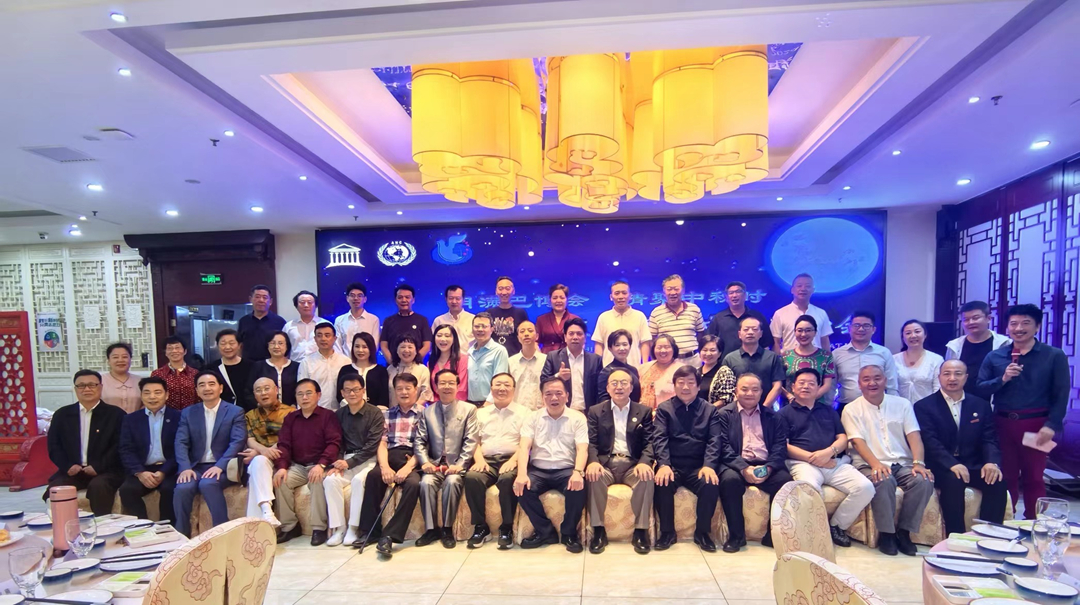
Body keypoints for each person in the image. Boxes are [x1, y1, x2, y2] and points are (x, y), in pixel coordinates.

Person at [977, 303, 1070, 519]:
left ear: (1037, 326)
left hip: (1036, 424)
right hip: (1002, 423)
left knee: (1034, 477)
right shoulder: (995, 356)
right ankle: (1006, 521)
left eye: (1025, 323)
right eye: (1014, 324)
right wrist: (1003, 378)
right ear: (1007, 327)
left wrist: (1051, 425)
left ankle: (1034, 523)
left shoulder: (1053, 355)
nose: (1019, 328)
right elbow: (980, 387)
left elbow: (1061, 394)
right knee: (1005, 475)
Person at [842, 365, 933, 556]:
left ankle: (904, 532)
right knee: (883, 479)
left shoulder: (903, 404)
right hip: (868, 463)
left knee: (923, 480)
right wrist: (876, 464)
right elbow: (857, 442)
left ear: (885, 381)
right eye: (866, 379)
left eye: (877, 378)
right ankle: (887, 534)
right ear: (859, 384)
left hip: (902, 463)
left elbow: (914, 436)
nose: (872, 383)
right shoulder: (851, 409)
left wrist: (919, 463)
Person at [779, 368, 874, 547]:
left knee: (865, 487)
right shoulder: (784, 414)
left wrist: (829, 452)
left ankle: (837, 526)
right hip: (802, 463)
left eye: (811, 383)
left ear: (819, 388)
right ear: (793, 387)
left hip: (833, 461)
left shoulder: (829, 411)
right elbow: (783, 445)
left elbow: (843, 438)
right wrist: (813, 458)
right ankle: (814, 531)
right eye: (802, 383)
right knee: (809, 489)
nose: (806, 386)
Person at [914, 360, 1006, 535]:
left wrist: (991, 462)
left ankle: (990, 534)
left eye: (958, 374)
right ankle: (956, 536)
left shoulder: (980, 405)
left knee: (996, 480)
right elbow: (930, 441)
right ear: (939, 377)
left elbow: (989, 438)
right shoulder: (924, 406)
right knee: (954, 479)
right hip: (941, 466)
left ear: (966, 377)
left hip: (972, 463)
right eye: (947, 374)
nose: (952, 378)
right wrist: (952, 464)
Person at [717, 374, 792, 552]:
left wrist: (769, 468)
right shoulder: (723, 415)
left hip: (766, 463)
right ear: (736, 391)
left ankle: (772, 535)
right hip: (735, 464)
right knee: (729, 481)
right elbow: (722, 447)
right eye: (744, 389)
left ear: (761, 392)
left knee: (785, 482)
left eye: (755, 389)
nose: (749, 393)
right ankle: (736, 537)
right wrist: (744, 468)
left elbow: (780, 447)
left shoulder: (773, 417)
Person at [513, 377, 589, 553]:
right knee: (522, 488)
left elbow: (582, 448)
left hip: (566, 469)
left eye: (559, 393)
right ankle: (545, 532)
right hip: (538, 470)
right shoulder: (533, 418)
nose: (554, 398)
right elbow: (524, 447)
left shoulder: (577, 418)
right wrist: (521, 474)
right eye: (548, 394)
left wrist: (578, 472)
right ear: (542, 397)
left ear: (567, 396)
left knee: (578, 488)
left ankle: (569, 534)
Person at [653, 365, 722, 552]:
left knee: (710, 483)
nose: (685, 387)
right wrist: (664, 464)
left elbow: (714, 440)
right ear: (674, 386)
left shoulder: (710, 410)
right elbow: (659, 438)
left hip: (698, 466)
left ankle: (702, 532)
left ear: (698, 386)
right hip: (673, 464)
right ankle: (667, 532)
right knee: (662, 482)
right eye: (681, 382)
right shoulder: (664, 409)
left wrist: (709, 465)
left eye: (691, 383)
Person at [586, 369, 655, 555]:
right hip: (606, 464)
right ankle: (598, 531)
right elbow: (591, 442)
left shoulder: (643, 411)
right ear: (607, 388)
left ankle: (641, 531)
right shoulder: (596, 411)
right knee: (593, 477)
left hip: (632, 465)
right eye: (614, 383)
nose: (619, 387)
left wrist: (644, 462)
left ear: (631, 387)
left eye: (624, 383)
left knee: (647, 477)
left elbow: (650, 442)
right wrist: (593, 461)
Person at [173, 370, 247, 537]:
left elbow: (237, 442)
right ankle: (181, 535)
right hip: (196, 466)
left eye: (211, 384)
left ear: (220, 388)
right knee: (183, 488)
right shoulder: (188, 413)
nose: (207, 388)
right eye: (202, 385)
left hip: (224, 466)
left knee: (208, 484)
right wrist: (185, 467)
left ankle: (222, 533)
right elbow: (181, 442)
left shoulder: (235, 411)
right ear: (197, 391)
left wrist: (220, 466)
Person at [413, 370, 479, 549]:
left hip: (457, 465)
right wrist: (425, 462)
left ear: (458, 386)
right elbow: (419, 440)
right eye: (443, 383)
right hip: (434, 464)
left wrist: (460, 464)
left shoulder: (469, 409)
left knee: (452, 482)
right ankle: (431, 529)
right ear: (436, 386)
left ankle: (447, 530)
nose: (447, 386)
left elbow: (471, 440)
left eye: (451, 383)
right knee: (426, 483)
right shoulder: (427, 412)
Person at [272, 379, 343, 545]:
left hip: (319, 464)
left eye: (308, 393)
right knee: (281, 481)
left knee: (316, 480)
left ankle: (319, 528)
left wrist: (321, 465)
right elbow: (284, 445)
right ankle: (290, 527)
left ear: (318, 395)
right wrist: (282, 467)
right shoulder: (291, 418)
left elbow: (334, 443)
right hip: (297, 466)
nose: (304, 397)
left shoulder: (328, 416)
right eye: (300, 394)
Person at [45, 370, 126, 515]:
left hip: (106, 471)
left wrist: (98, 466)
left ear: (100, 387)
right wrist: (68, 466)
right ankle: (63, 525)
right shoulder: (62, 415)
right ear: (75, 389)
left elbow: (120, 446)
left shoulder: (115, 414)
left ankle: (102, 524)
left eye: (92, 385)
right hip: (73, 471)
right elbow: (54, 446)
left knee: (99, 486)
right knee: (57, 488)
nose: (87, 389)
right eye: (81, 386)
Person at [464, 373, 525, 549]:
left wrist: (513, 461)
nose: (502, 388)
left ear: (514, 389)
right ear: (491, 388)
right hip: (486, 460)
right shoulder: (480, 413)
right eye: (498, 384)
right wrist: (479, 460)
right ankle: (481, 527)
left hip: (512, 459)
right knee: (472, 477)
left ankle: (506, 528)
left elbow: (526, 443)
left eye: (507, 385)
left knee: (507, 479)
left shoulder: (524, 412)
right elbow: (473, 440)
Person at [323, 374, 385, 546]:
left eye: (356, 389)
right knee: (330, 480)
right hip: (346, 458)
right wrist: (337, 462)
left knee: (359, 481)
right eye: (348, 390)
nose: (352, 393)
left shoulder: (374, 413)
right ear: (342, 393)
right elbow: (337, 442)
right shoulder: (339, 414)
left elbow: (372, 445)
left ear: (363, 391)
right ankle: (339, 528)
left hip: (368, 459)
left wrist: (349, 463)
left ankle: (353, 528)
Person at [366, 375, 424, 557]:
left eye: (408, 388)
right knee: (373, 476)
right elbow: (382, 443)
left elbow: (424, 445)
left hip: (412, 458)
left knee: (414, 484)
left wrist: (408, 468)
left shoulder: (425, 414)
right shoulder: (387, 414)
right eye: (399, 388)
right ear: (394, 391)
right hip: (390, 456)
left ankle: (389, 536)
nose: (404, 392)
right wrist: (384, 467)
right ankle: (369, 532)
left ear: (416, 390)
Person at [118, 377, 180, 523]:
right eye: (147, 393)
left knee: (169, 490)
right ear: (141, 396)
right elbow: (126, 449)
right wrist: (140, 472)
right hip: (143, 468)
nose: (152, 397)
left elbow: (180, 449)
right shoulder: (131, 419)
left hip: (170, 469)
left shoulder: (178, 417)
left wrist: (163, 472)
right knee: (127, 490)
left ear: (166, 395)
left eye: (157, 392)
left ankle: (166, 529)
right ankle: (143, 526)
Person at [240, 377, 295, 527]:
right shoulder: (250, 415)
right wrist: (263, 451)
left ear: (276, 390)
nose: (263, 393)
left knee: (256, 468)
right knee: (258, 462)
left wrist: (265, 451)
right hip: (262, 459)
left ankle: (256, 526)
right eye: (258, 390)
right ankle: (267, 512)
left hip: (283, 455)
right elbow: (249, 439)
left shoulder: (290, 412)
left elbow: (289, 437)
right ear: (254, 394)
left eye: (267, 388)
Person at [832, 311, 899, 409]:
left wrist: (894, 408)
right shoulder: (837, 354)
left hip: (878, 406)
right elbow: (831, 385)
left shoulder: (884, 353)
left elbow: (891, 385)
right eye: (856, 325)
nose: (861, 329)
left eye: (866, 326)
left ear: (873, 329)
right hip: (846, 406)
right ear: (849, 328)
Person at [946, 300, 1010, 400]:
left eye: (975, 318)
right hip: (962, 401)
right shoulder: (954, 346)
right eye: (966, 319)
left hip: (994, 400)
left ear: (988, 318)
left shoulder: (1004, 344)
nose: (971, 322)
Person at [540, 317, 602, 413]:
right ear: (565, 337)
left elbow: (600, 389)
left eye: (579, 334)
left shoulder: (595, 360)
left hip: (588, 412)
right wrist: (558, 376)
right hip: (562, 411)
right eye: (571, 334)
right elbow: (543, 382)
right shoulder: (553, 357)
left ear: (585, 337)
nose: (575, 337)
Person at [721, 316, 785, 406]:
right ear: (739, 334)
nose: (750, 332)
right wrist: (735, 408)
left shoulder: (772, 357)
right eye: (746, 329)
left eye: (754, 329)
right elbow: (726, 389)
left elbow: (777, 386)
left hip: (766, 409)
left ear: (761, 334)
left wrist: (764, 408)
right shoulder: (730, 359)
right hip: (736, 410)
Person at [648, 274, 706, 366]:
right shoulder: (656, 312)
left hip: (693, 360)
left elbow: (701, 334)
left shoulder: (694, 309)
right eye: (669, 289)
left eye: (676, 289)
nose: (673, 292)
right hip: (668, 361)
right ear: (664, 292)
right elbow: (652, 339)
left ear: (683, 290)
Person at [707, 281, 775, 359]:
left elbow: (766, 342)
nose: (734, 295)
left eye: (738, 292)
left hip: (754, 362)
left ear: (745, 295)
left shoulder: (757, 316)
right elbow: (710, 342)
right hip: (726, 362)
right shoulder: (718, 318)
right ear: (726, 297)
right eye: (731, 293)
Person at [593, 280, 652, 367]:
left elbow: (645, 343)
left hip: (634, 367)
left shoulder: (639, 316)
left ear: (630, 296)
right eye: (617, 293)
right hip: (608, 368)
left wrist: (645, 366)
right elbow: (599, 344)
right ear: (611, 297)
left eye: (624, 293)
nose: (621, 296)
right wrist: (598, 367)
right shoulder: (603, 317)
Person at [781, 315, 837, 406]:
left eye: (808, 330)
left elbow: (827, 385)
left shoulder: (826, 356)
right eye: (800, 330)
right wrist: (789, 396)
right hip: (790, 405)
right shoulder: (785, 356)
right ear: (794, 332)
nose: (803, 334)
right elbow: (778, 383)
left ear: (815, 332)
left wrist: (808, 399)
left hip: (817, 407)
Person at [770, 273, 833, 352]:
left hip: (816, 359)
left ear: (813, 290)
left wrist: (828, 358)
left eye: (808, 286)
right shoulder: (780, 313)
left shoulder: (821, 313)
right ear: (792, 290)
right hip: (788, 359)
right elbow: (776, 342)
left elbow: (824, 341)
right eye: (799, 286)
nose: (803, 289)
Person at [299, 322, 352, 410]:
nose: (323, 339)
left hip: (342, 411)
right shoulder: (306, 362)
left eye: (327, 335)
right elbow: (301, 391)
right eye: (319, 336)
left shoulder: (346, 361)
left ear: (335, 338)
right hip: (316, 412)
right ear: (315, 339)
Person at [380, 284, 433, 363]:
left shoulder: (422, 320)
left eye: (407, 297)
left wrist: (414, 361)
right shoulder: (388, 321)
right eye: (400, 297)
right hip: (394, 366)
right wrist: (392, 362)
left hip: (416, 366)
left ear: (413, 300)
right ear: (395, 300)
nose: (404, 300)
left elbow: (427, 345)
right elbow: (384, 345)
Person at [336, 332, 390, 409]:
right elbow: (340, 394)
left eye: (364, 347)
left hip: (375, 413)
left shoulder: (381, 371)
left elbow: (384, 397)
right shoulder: (345, 370)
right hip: (349, 412)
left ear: (371, 349)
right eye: (357, 346)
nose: (360, 350)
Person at [895, 320, 944, 403]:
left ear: (925, 335)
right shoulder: (893, 359)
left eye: (917, 331)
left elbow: (938, 389)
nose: (913, 336)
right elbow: (891, 388)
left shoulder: (936, 359)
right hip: (900, 408)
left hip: (927, 408)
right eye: (908, 333)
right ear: (903, 337)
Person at [466, 312, 509, 405]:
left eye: (484, 326)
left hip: (490, 405)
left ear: (492, 329)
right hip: (469, 404)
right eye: (477, 326)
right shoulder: (469, 351)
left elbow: (500, 381)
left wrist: (487, 404)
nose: (480, 329)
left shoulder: (499, 351)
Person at [206, 329, 254, 410]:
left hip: (249, 412)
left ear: (239, 345)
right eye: (223, 343)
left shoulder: (252, 366)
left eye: (231, 343)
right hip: (221, 412)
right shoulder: (211, 369)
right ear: (217, 345)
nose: (227, 347)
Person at [237, 285, 286, 362]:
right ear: (250, 299)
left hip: (272, 364)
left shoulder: (280, 322)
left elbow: (285, 346)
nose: (261, 300)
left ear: (270, 301)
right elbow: (240, 345)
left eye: (265, 297)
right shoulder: (243, 321)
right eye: (257, 297)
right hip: (248, 364)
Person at [250, 331, 299, 408]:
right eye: (272, 343)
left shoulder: (297, 367)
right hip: (265, 411)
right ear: (267, 346)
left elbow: (302, 389)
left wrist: (295, 405)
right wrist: (260, 405)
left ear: (287, 346)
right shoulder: (258, 366)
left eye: (280, 343)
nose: (276, 346)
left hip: (292, 411)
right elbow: (248, 391)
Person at [507, 320, 546, 411]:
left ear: (537, 336)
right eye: (522, 331)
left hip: (540, 411)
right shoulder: (510, 362)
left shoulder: (546, 360)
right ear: (518, 338)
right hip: (516, 411)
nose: (526, 334)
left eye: (530, 331)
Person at [150, 336, 198, 410]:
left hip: (190, 414)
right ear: (165, 353)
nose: (174, 351)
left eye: (177, 347)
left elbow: (199, 398)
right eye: (170, 348)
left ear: (185, 351)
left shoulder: (195, 373)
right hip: (166, 414)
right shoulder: (157, 374)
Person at [335, 282, 381, 358]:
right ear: (347, 298)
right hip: (345, 362)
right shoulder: (339, 320)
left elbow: (375, 344)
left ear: (365, 299)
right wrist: (343, 361)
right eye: (352, 295)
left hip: (367, 362)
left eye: (359, 296)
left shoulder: (373, 320)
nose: (356, 298)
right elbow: (337, 345)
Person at [596, 329, 642, 404]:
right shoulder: (606, 372)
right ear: (610, 348)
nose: (622, 348)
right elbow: (603, 400)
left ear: (630, 346)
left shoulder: (634, 370)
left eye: (625, 344)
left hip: (634, 410)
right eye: (617, 345)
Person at [490, 276, 530, 356]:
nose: (504, 292)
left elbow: (527, 336)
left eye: (507, 288)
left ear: (513, 291)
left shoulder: (521, 313)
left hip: (516, 357)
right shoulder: (489, 313)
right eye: (500, 288)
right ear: (496, 291)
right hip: (493, 357)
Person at [639, 334, 681, 409]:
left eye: (667, 347)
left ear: (674, 349)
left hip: (667, 413)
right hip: (642, 412)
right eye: (659, 347)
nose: (663, 350)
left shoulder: (680, 370)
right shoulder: (643, 368)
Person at [284, 290, 328, 362]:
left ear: (316, 305)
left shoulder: (325, 325)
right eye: (302, 302)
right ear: (296, 306)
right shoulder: (289, 326)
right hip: (295, 365)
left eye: (310, 302)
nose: (306, 305)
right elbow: (284, 349)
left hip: (320, 364)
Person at [388, 337, 432, 406]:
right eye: (402, 347)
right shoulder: (390, 369)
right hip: (392, 411)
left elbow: (426, 393)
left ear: (416, 351)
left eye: (410, 347)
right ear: (397, 350)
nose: (406, 350)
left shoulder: (423, 369)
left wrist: (413, 409)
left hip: (416, 411)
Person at [428, 324, 468, 401]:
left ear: (454, 339)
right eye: (439, 335)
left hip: (457, 404)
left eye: (447, 336)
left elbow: (462, 389)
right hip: (436, 405)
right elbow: (431, 389)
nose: (443, 339)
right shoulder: (431, 361)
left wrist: (447, 405)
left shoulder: (462, 359)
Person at [535, 284, 580, 352]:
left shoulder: (575, 319)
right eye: (555, 298)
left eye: (562, 298)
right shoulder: (541, 319)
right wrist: (540, 356)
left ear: (567, 300)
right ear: (550, 300)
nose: (558, 300)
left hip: (568, 356)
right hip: (547, 356)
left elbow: (580, 342)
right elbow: (535, 342)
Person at [101, 342, 142, 413]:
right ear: (108, 360)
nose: (120, 360)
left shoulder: (140, 381)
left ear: (130, 359)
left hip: (135, 419)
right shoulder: (100, 381)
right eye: (115, 357)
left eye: (125, 357)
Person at [431, 285, 475, 349]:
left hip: (468, 355)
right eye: (451, 298)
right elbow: (433, 343)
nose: (454, 301)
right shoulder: (439, 320)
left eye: (458, 298)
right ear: (446, 299)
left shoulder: (473, 319)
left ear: (463, 299)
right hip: (444, 355)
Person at [699, 335, 736, 406]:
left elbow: (726, 399)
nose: (708, 353)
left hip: (715, 412)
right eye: (705, 350)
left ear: (720, 353)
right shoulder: (696, 371)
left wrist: (707, 410)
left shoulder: (725, 372)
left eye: (712, 350)